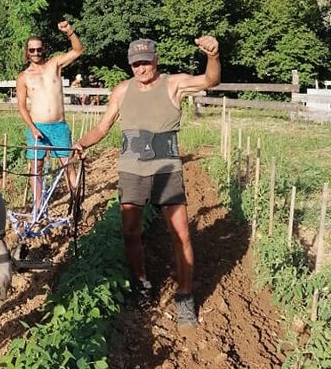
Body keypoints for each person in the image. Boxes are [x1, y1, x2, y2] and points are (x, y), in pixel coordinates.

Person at [73, 36, 220, 327]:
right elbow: (103, 126)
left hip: (167, 169)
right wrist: (81, 143)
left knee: (181, 234)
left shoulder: (173, 83)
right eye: (136, 64)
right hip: (132, 169)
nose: (141, 68)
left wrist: (213, 56)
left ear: (156, 60)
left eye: (146, 62)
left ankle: (185, 297)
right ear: (131, 65)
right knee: (130, 231)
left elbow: (209, 80)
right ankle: (141, 283)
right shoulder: (122, 90)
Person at [16, 21, 84, 204]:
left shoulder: (55, 65)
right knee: (36, 167)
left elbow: (78, 50)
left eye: (39, 49)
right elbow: (22, 106)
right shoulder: (23, 77)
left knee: (67, 164)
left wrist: (69, 32)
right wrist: (31, 127)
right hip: (37, 128)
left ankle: (76, 202)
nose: (36, 53)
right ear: (27, 52)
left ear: (43, 50)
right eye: (32, 50)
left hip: (59, 126)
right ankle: (39, 206)